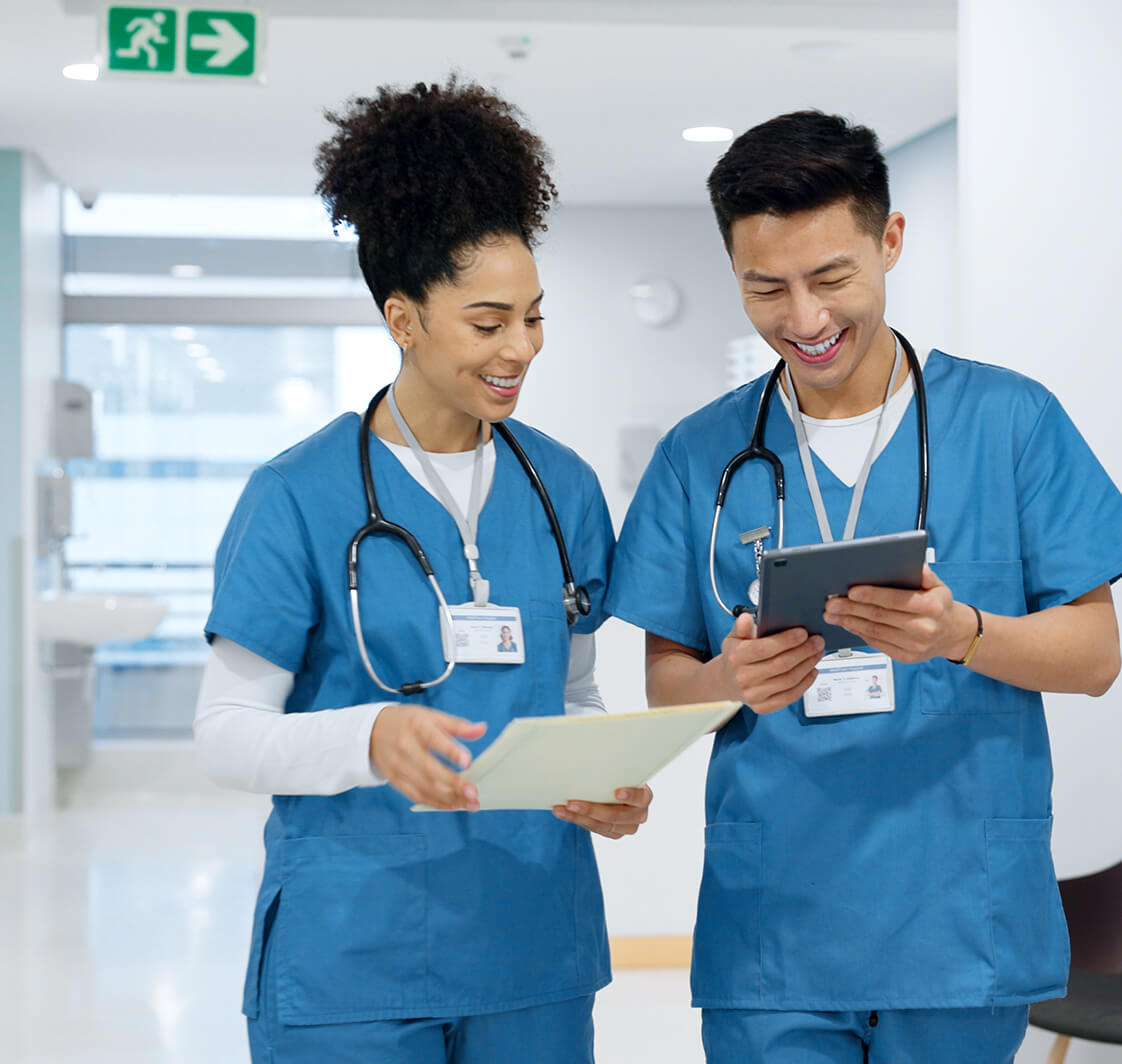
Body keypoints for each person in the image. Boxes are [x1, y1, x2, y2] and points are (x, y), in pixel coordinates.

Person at [604, 110, 1122, 1063]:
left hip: (958, 920)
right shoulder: (700, 455)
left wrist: (963, 633)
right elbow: (666, 685)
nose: (803, 320)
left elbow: (1096, 658)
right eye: (766, 287)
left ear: (889, 242)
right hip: (779, 931)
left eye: (831, 278)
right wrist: (731, 682)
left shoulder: (1010, 423)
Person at [194, 78, 652, 1064]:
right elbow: (227, 734)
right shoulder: (297, 495)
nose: (521, 347)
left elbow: (569, 688)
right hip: (354, 952)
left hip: (532, 945)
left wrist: (604, 773)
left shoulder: (562, 485)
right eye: (488, 324)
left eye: (534, 316)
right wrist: (372, 734)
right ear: (404, 319)